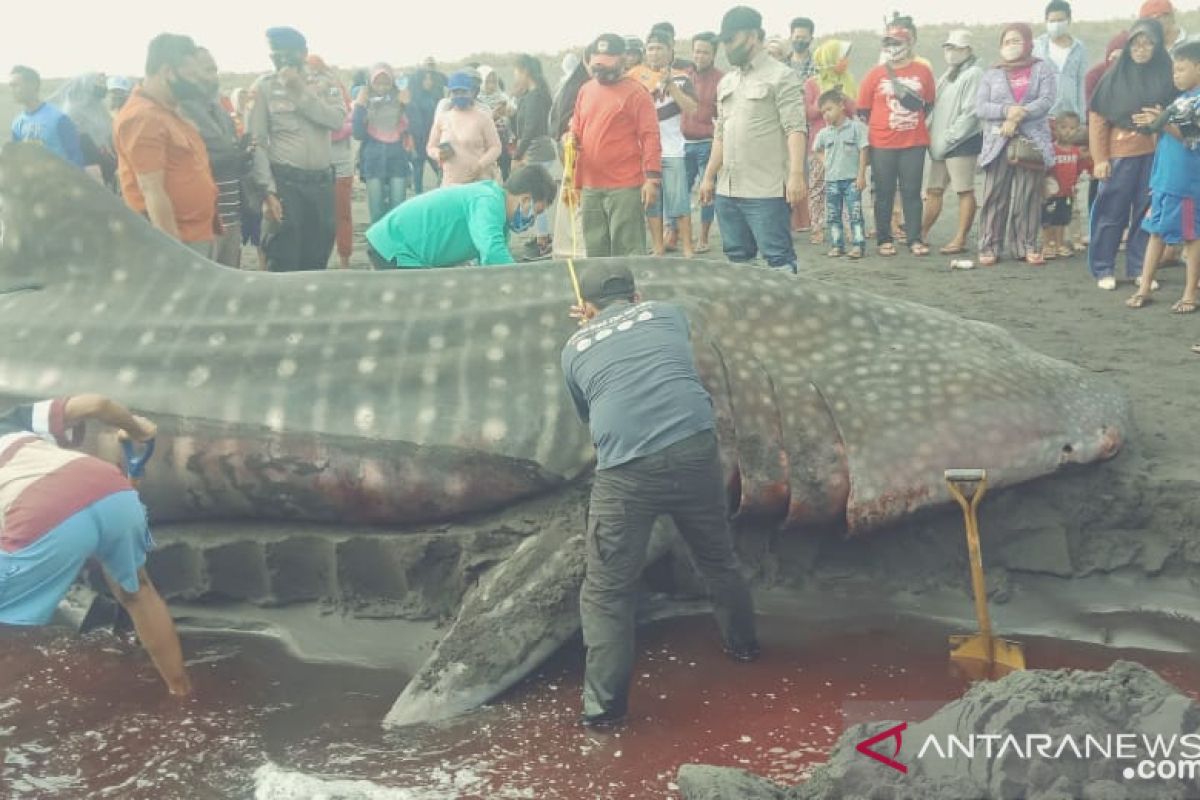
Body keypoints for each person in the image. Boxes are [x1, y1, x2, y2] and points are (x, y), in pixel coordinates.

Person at [560, 261, 759, 729]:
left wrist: (591, 330)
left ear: (584, 307)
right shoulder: (667, 313)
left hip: (627, 468)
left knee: (607, 591)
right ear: (637, 292)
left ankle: (603, 714)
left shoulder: (572, 349)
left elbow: (587, 413)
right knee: (718, 559)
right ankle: (745, 649)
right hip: (693, 448)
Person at [0, 394, 191, 698]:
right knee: (138, 591)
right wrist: (137, 429)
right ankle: (181, 692)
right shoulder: (12, 421)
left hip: (39, 511)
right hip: (108, 486)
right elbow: (98, 405)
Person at [700, 6, 807, 274]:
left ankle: (786, 315)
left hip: (765, 190)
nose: (726, 47)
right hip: (728, 189)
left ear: (751, 36)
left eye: (730, 40)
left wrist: (795, 175)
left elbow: (795, 128)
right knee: (738, 260)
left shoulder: (782, 76)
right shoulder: (727, 82)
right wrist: (709, 177)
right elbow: (721, 134)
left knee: (778, 260)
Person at [246, 26, 347, 271]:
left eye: (287, 54)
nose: (280, 59)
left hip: (321, 184)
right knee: (283, 258)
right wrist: (267, 191)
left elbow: (336, 120)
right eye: (275, 54)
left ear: (303, 53)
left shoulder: (325, 83)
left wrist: (299, 92)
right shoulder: (263, 88)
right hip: (285, 184)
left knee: (317, 257)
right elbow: (256, 142)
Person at [1088, 19, 1178, 289]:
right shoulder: (1113, 78)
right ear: (1128, 47)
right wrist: (1100, 158)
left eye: (1148, 43)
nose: (1141, 49)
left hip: (1155, 155)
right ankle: (1103, 268)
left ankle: (1140, 268)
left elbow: (1178, 112)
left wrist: (1160, 118)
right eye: (1136, 44)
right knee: (1110, 212)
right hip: (1119, 155)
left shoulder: (1167, 75)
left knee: (1146, 212)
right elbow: (1098, 120)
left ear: (1157, 46)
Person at [113, 34, 218, 257]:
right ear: (168, 72)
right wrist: (176, 255)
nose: (196, 83)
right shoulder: (143, 117)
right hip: (179, 242)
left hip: (197, 232)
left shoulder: (168, 111)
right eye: (191, 75)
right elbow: (152, 190)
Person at [569, 34, 662, 258]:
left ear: (622, 60)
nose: (601, 71)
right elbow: (577, 128)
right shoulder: (586, 90)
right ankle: (602, 293)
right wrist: (569, 139)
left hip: (625, 187)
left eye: (607, 64)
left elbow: (650, 136)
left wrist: (652, 179)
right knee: (595, 249)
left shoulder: (637, 93)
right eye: (597, 65)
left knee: (628, 250)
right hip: (590, 186)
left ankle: (630, 292)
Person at [1126, 41, 1200, 313]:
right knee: (1155, 232)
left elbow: (1191, 138)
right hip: (1164, 178)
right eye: (1174, 70)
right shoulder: (1180, 100)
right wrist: (1155, 122)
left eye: (1181, 69)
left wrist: (1162, 122)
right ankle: (1144, 286)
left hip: (1187, 182)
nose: (1176, 75)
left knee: (1192, 237)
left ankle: (1190, 292)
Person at [363, 163, 556, 268]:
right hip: (395, 247)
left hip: (404, 249)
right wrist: (523, 281)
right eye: (536, 212)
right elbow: (491, 251)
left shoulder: (501, 224)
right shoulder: (488, 201)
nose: (532, 221)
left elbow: (489, 265)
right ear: (525, 199)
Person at [975, 23, 1056, 266]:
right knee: (994, 194)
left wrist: (1020, 114)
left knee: (1028, 195)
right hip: (997, 140)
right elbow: (981, 107)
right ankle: (989, 245)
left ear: (1028, 43)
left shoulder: (1042, 69)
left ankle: (1026, 245)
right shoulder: (991, 73)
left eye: (1017, 40)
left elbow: (1047, 99)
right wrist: (1007, 110)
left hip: (1031, 141)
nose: (1011, 46)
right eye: (1007, 41)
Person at [857, 23, 936, 256]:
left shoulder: (923, 72)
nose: (892, 47)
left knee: (912, 192)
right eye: (888, 43)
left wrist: (907, 122)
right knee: (883, 192)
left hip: (914, 141)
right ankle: (884, 238)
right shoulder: (874, 74)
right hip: (882, 142)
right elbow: (863, 109)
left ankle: (914, 238)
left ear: (910, 43)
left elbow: (929, 103)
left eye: (897, 43)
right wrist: (883, 125)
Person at [180, 47, 247, 268]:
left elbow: (229, 153)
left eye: (215, 70)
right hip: (203, 222)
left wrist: (241, 156)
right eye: (208, 70)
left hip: (231, 213)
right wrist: (231, 157)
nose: (213, 77)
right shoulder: (180, 112)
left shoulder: (218, 111)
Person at [922, 29, 982, 255]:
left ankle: (960, 238)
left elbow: (970, 113)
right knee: (934, 189)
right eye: (948, 48)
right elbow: (936, 109)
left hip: (962, 142)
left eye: (956, 48)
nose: (951, 52)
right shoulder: (947, 75)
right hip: (940, 142)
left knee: (964, 190)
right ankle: (922, 232)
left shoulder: (975, 73)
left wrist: (949, 138)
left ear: (967, 49)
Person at [644, 28, 699, 257]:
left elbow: (692, 109)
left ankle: (688, 248)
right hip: (648, 152)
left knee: (680, 202)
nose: (654, 53)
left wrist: (671, 86)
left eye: (659, 48)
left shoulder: (682, 77)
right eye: (650, 49)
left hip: (674, 148)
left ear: (670, 51)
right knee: (652, 203)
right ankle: (657, 249)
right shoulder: (640, 78)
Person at [804, 40, 858, 247]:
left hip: (845, 145)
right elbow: (807, 113)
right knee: (818, 188)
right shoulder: (811, 83)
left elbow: (855, 110)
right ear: (830, 59)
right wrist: (827, 103)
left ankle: (849, 227)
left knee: (846, 187)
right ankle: (817, 228)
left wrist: (843, 97)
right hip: (821, 147)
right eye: (841, 57)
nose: (844, 61)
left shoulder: (849, 80)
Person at [306, 55, 354, 269]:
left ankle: (345, 260)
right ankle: (318, 262)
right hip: (313, 162)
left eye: (317, 70)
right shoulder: (300, 91)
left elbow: (345, 121)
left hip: (340, 161)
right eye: (310, 71)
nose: (314, 75)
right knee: (315, 217)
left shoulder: (335, 87)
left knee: (342, 214)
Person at [353, 63, 413, 224]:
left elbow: (414, 127)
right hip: (373, 161)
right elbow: (357, 133)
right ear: (370, 84)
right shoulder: (366, 103)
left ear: (392, 83)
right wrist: (359, 104)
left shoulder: (400, 100)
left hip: (398, 161)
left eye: (386, 83)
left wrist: (407, 103)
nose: (382, 87)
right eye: (377, 83)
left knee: (398, 208)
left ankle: (395, 246)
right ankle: (376, 246)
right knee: (376, 209)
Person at [511, 54, 557, 258]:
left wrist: (517, 155)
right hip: (539, 148)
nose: (515, 75)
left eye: (517, 71)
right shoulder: (535, 94)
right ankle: (542, 236)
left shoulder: (535, 96)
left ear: (525, 71)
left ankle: (543, 239)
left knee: (537, 197)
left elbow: (529, 129)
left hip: (536, 149)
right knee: (538, 196)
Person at [813, 89, 869, 258]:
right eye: (823, 112)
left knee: (855, 215)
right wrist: (825, 162)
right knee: (833, 216)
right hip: (832, 181)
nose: (826, 115)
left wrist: (861, 175)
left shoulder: (856, 128)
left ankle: (858, 245)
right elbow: (816, 150)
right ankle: (837, 245)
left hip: (852, 180)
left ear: (841, 106)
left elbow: (863, 150)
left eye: (829, 109)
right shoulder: (824, 133)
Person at [682, 33, 724, 254]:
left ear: (714, 54)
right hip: (683, 142)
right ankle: (680, 234)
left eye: (705, 51)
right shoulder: (684, 76)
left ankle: (704, 237)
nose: (700, 55)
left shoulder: (722, 80)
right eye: (697, 51)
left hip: (708, 143)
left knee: (707, 192)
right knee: (681, 192)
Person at [427, 71, 502, 188]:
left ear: (471, 92)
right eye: (455, 92)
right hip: (450, 184)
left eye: (463, 92)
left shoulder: (483, 117)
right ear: (450, 94)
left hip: (478, 183)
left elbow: (496, 147)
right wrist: (438, 154)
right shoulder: (443, 118)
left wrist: (480, 165)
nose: (459, 96)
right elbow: (430, 147)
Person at [551, 50, 592, 259]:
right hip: (574, 150)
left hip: (567, 148)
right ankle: (579, 250)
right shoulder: (581, 86)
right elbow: (566, 122)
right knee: (577, 204)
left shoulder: (569, 84)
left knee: (572, 202)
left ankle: (571, 248)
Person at [9, 65, 84, 167]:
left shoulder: (58, 119)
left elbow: (75, 157)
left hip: (58, 180)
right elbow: (17, 160)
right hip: (32, 181)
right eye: (11, 86)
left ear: (33, 85)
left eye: (16, 85)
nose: (12, 90)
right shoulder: (17, 124)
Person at [49, 73, 117, 186]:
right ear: (86, 85)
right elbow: (82, 141)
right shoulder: (73, 109)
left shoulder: (97, 106)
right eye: (98, 84)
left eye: (103, 83)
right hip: (85, 161)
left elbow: (108, 129)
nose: (102, 87)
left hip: (102, 155)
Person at [1032, 0, 1088, 119]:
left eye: (1060, 20)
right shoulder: (1037, 47)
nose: (1056, 24)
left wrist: (1082, 119)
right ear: (1046, 21)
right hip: (1043, 116)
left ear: (1068, 20)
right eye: (1052, 21)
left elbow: (1081, 83)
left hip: (1070, 116)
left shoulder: (1079, 48)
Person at [1041, 112, 1083, 260]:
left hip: (1067, 193)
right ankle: (1048, 244)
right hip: (1051, 193)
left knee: (1062, 219)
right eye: (1063, 127)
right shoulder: (1051, 150)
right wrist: (1044, 187)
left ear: (1077, 130)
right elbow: (1045, 171)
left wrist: (1075, 185)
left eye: (1072, 128)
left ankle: (1059, 244)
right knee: (1047, 219)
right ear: (1055, 129)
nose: (1067, 131)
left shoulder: (1076, 151)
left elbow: (1077, 170)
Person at [407, 65, 447, 194]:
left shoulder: (431, 96)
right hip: (418, 143)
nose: (429, 82)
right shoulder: (411, 100)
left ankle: (442, 196)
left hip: (432, 140)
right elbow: (413, 125)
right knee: (418, 176)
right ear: (419, 81)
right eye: (426, 79)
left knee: (442, 172)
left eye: (430, 79)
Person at [476, 66, 514, 179]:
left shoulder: (502, 96)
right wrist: (493, 115)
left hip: (502, 140)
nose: (491, 86)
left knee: (504, 170)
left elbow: (512, 111)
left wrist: (507, 111)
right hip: (485, 144)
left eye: (493, 82)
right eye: (487, 82)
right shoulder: (477, 101)